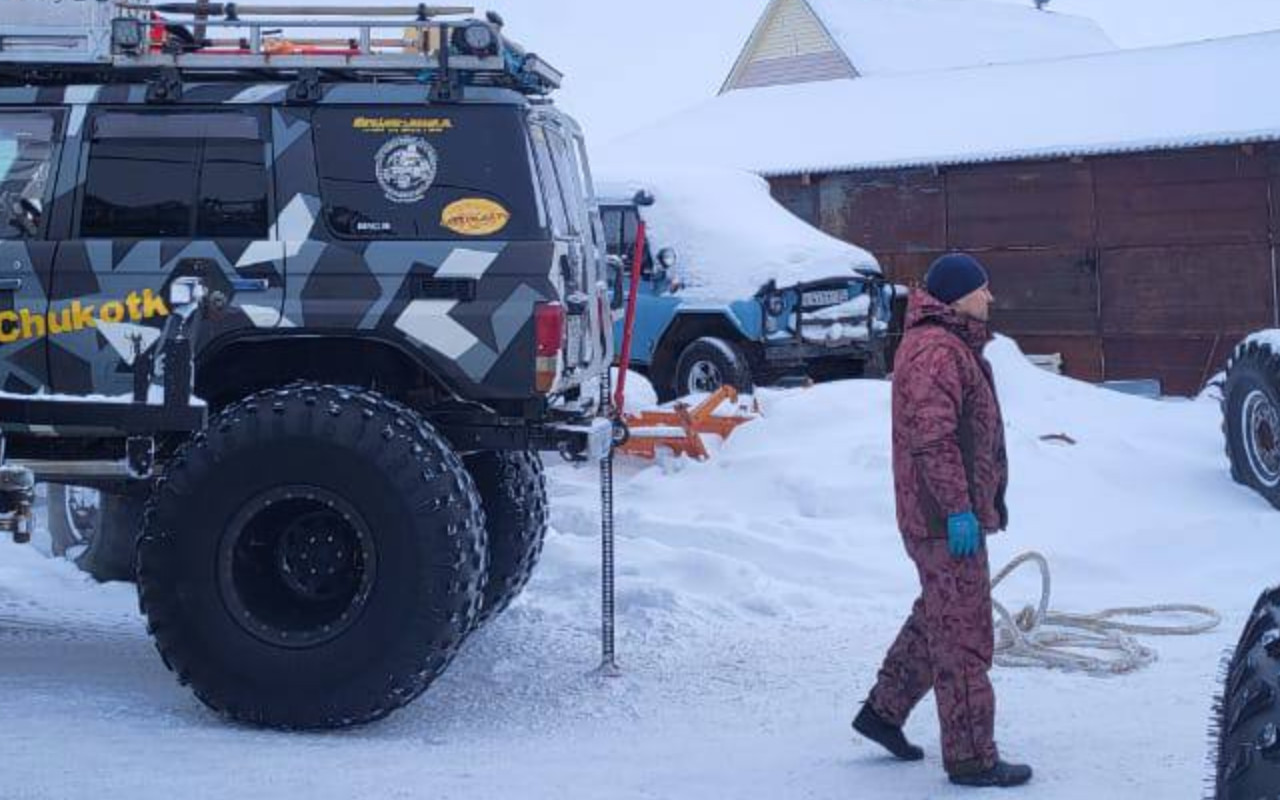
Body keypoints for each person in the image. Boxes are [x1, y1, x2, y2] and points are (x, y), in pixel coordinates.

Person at [852, 253, 1032, 788]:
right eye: (983, 289)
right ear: (957, 296)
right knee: (962, 634)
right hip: (942, 518)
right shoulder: (936, 352)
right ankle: (972, 756)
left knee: (939, 614)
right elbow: (933, 440)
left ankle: (883, 713)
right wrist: (958, 509)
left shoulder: (949, 345)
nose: (990, 298)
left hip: (945, 515)